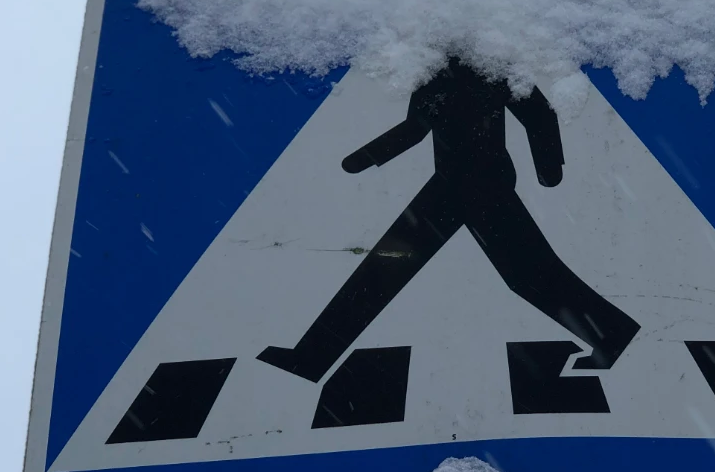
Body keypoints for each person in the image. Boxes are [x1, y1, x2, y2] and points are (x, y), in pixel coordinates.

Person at [259, 58, 639, 383]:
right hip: (449, 186)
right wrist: (365, 158)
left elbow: (537, 113)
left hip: (488, 188)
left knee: (527, 275)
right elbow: (415, 128)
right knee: (385, 269)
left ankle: (612, 334)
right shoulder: (433, 73)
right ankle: (311, 357)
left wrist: (549, 168)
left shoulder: (494, 65)